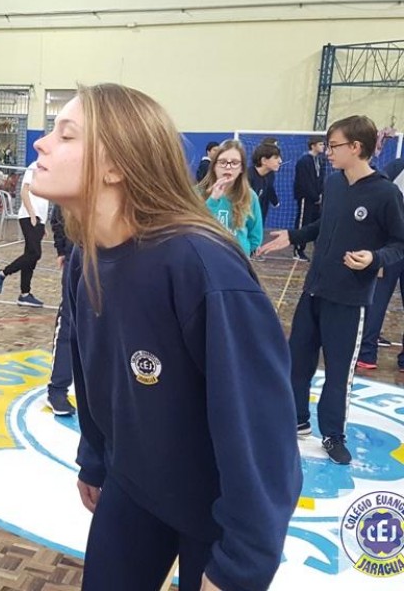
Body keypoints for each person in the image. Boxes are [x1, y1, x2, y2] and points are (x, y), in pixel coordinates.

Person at [31, 83, 301, 591]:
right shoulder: (86, 258)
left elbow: (263, 431)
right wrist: (94, 457)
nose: (42, 144)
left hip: (214, 509)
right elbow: (95, 374)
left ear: (116, 167)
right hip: (134, 484)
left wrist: (241, 566)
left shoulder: (201, 264)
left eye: (66, 135)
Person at [259, 115, 404, 465]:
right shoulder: (336, 183)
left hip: (348, 300)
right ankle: (296, 420)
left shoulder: (385, 192)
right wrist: (294, 236)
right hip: (313, 291)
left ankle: (333, 434)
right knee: (297, 362)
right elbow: (325, 224)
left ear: (356, 147)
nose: (328, 152)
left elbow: (399, 242)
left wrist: (374, 258)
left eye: (334, 145)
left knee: (338, 374)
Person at [355, 157, 404, 370]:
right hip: (391, 247)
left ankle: (367, 353)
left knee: (377, 299)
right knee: (377, 299)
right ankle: (367, 352)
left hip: (390, 244)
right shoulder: (397, 168)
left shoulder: (396, 168)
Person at [0, 161, 48, 307]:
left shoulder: (49, 171)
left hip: (38, 219)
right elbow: (24, 191)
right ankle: (2, 273)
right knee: (35, 253)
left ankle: (25, 294)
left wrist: (42, 223)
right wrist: (32, 215)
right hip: (29, 217)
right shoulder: (34, 167)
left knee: (30, 256)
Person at [199, 140, 263, 256]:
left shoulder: (250, 196)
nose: (228, 167)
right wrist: (213, 200)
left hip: (237, 260)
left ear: (242, 168)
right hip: (205, 258)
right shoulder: (198, 193)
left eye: (234, 163)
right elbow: (194, 229)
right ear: (214, 166)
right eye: (222, 162)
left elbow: (255, 235)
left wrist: (244, 252)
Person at [44, 204, 76, 416]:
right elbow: (59, 210)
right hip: (79, 253)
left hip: (118, 253)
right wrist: (62, 248)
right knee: (69, 322)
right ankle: (57, 388)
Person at [292, 136, 326, 261]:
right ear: (313, 145)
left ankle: (319, 250)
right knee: (303, 223)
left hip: (317, 198)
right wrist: (313, 195)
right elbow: (304, 182)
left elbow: (320, 179)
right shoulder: (304, 161)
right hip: (306, 198)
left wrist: (321, 194)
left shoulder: (320, 160)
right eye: (320, 144)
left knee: (317, 222)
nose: (323, 147)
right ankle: (298, 250)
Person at [248, 143, 282, 221]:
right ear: (264, 160)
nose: (280, 161)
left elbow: (270, 188)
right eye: (276, 158)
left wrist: (275, 202)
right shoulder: (247, 177)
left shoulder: (270, 175)